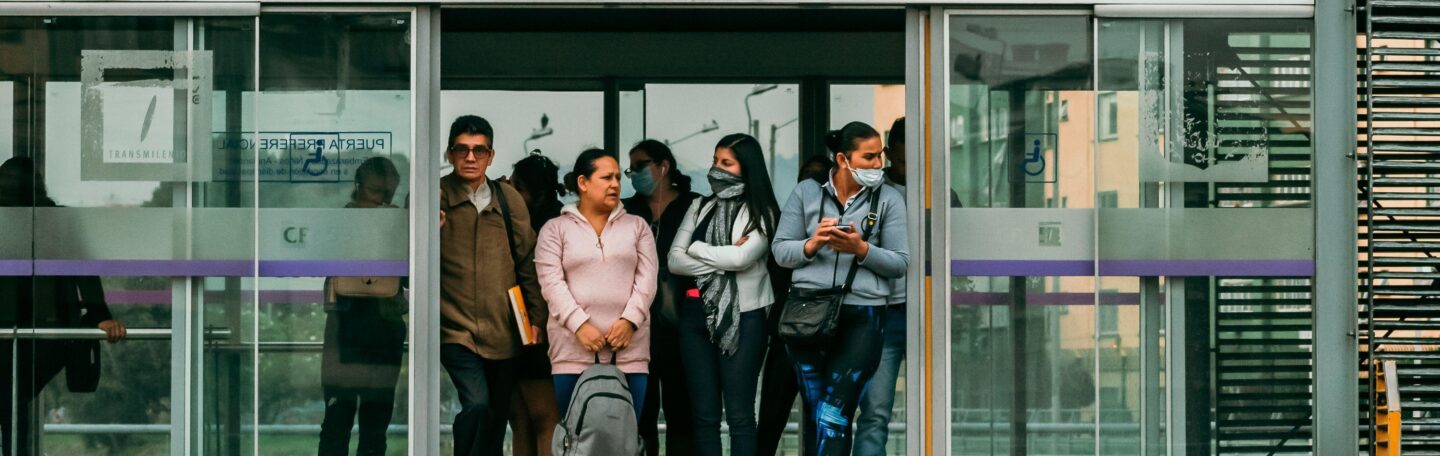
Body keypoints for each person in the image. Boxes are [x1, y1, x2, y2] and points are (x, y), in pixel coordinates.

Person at [771, 122, 909, 456]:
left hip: (864, 316)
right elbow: (780, 252)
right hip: (809, 314)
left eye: (880, 156)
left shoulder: (888, 198)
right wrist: (812, 243)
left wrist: (861, 250)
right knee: (820, 412)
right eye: (870, 157)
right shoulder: (807, 191)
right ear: (844, 159)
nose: (879, 164)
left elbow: (900, 263)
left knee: (835, 411)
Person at [0, 157, 127, 456]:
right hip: (48, 331)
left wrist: (99, 314)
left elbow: (81, 266)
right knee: (12, 399)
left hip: (24, 331)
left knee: (10, 398)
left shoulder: (51, 221)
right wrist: (99, 314)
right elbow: (84, 268)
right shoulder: (57, 220)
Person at [438, 115, 547, 456]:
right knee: (477, 405)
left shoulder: (508, 199)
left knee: (498, 419)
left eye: (479, 151)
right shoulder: (433, 196)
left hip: (505, 331)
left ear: (491, 155)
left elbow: (527, 262)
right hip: (454, 328)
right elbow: (411, 262)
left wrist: (537, 318)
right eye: (462, 150)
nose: (470, 158)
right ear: (449, 153)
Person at [668, 133, 780, 456]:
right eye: (715, 161)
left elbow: (743, 259)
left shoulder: (763, 210)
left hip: (744, 317)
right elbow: (675, 261)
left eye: (726, 163)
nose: (717, 169)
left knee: (740, 415)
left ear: (746, 168)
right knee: (704, 417)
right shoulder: (699, 206)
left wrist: (699, 249)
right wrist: (725, 257)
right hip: (695, 317)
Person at [535, 148, 656, 420]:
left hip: (629, 353)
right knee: (579, 439)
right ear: (583, 183)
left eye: (617, 177)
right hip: (572, 353)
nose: (615, 183)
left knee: (623, 438)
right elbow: (552, 285)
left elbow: (647, 280)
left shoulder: (638, 227)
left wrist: (630, 322)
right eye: (606, 177)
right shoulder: (555, 230)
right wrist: (580, 325)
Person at [319, 157, 408, 456]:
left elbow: (409, 275)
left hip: (383, 328)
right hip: (346, 326)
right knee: (337, 417)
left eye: (388, 194)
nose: (382, 201)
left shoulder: (396, 225)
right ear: (358, 188)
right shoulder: (342, 224)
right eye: (376, 192)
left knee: (375, 423)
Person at [621, 139, 699, 456]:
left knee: (683, 413)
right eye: (631, 168)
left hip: (683, 325)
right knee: (640, 414)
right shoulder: (626, 210)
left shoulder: (694, 205)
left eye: (640, 165)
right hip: (635, 326)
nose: (633, 173)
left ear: (663, 166)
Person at [757, 153, 833, 456]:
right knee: (772, 416)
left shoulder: (835, 224)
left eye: (817, 178)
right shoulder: (787, 224)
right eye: (805, 177)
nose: (809, 184)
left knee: (820, 414)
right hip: (786, 329)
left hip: (825, 329)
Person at [852, 118, 909, 456]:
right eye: (902, 160)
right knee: (875, 411)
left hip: (931, 312)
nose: (909, 168)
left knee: (937, 406)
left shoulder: (943, 196)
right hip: (885, 313)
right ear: (889, 153)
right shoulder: (870, 195)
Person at [502, 154, 565, 456]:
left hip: (541, 331)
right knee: (521, 419)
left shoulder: (553, 225)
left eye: (517, 187)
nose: (509, 191)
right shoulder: (515, 220)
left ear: (536, 193)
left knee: (544, 418)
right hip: (516, 328)